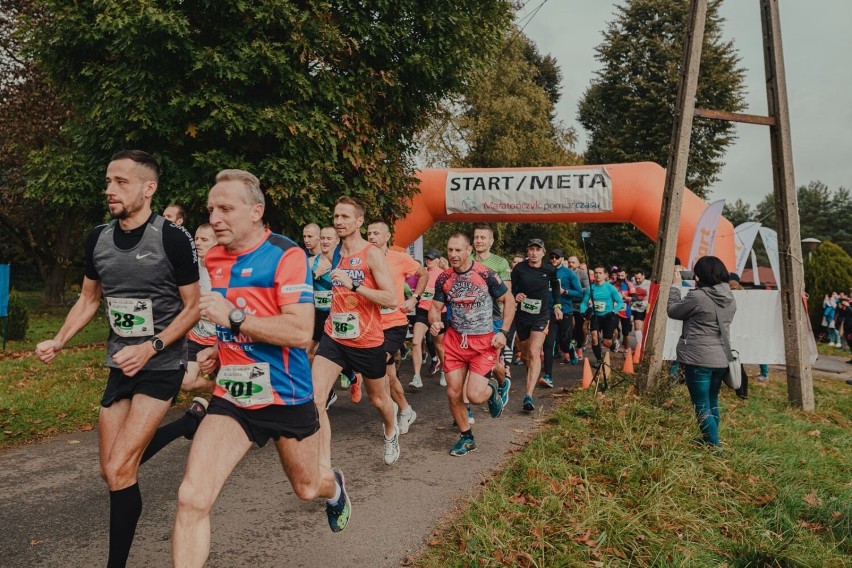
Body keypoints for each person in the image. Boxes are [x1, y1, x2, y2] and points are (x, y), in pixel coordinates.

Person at [171, 169, 350, 565]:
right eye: (211, 209)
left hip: (285, 394)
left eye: (225, 209)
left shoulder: (286, 255)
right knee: (192, 496)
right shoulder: (214, 257)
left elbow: (301, 331)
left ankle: (334, 487)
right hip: (233, 395)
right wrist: (220, 349)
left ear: (255, 211)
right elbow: (229, 320)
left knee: (307, 487)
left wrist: (232, 319)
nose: (215, 217)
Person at [35, 150, 200, 567]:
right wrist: (59, 339)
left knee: (122, 466)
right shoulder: (98, 238)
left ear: (149, 189)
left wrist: (154, 346)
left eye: (121, 182)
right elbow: (89, 299)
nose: (110, 189)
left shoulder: (171, 238)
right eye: (109, 181)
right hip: (120, 363)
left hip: (161, 364)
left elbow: (193, 306)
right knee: (110, 471)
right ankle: (186, 425)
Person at [311, 197, 400, 466]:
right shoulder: (334, 251)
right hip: (334, 337)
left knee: (379, 400)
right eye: (336, 216)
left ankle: (390, 430)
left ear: (359, 221)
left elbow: (391, 298)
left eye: (345, 217)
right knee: (315, 399)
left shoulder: (371, 253)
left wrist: (353, 285)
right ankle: (324, 465)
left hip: (366, 340)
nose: (339, 221)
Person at [140, 224, 219, 466]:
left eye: (205, 239)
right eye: (196, 238)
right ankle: (214, 390)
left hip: (222, 341)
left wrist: (212, 312)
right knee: (185, 381)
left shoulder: (223, 270)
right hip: (196, 338)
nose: (199, 242)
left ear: (217, 242)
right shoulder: (190, 270)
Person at [429, 233, 515, 456]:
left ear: (468, 251)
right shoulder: (443, 278)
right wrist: (435, 322)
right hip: (456, 341)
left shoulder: (485, 274)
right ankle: (466, 438)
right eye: (450, 250)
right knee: (453, 393)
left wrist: (504, 332)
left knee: (475, 396)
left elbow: (509, 301)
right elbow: (435, 307)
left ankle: (493, 389)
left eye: (458, 250)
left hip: (483, 342)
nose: (454, 254)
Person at [667, 256, 736, 448]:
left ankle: (714, 446)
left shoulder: (697, 296)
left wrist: (675, 287)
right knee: (712, 400)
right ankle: (709, 440)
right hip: (722, 358)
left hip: (698, 358)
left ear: (701, 275)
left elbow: (673, 311)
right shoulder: (730, 297)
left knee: (701, 403)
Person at [366, 220, 427, 435]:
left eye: (376, 233)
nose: (372, 236)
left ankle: (389, 409)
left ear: (386, 236)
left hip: (394, 324)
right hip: (371, 325)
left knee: (377, 363)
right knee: (390, 376)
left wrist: (414, 299)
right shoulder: (364, 259)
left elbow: (423, 274)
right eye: (369, 233)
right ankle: (405, 409)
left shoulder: (399, 258)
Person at [511, 239, 561, 411]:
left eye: (537, 249)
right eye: (531, 249)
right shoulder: (519, 269)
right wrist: (516, 295)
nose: (534, 252)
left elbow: (555, 286)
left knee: (534, 352)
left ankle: (528, 396)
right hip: (523, 316)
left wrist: (557, 304)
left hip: (541, 315)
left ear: (543, 252)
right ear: (527, 251)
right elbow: (512, 289)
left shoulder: (550, 269)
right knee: (526, 354)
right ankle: (530, 366)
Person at [472, 225, 513, 402]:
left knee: (493, 364)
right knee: (469, 361)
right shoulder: (467, 260)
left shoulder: (500, 262)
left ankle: (503, 384)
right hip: (469, 318)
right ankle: (466, 410)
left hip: (493, 317)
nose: (479, 241)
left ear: (491, 241)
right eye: (476, 237)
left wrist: (503, 327)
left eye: (483, 238)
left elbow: (507, 295)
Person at [408, 248, 445, 388]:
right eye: (427, 258)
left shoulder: (442, 274)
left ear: (438, 260)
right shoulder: (421, 273)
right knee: (416, 342)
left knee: (438, 345)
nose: (428, 260)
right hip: (423, 311)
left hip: (437, 313)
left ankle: (444, 371)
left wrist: (433, 293)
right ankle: (416, 377)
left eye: (431, 258)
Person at [544, 249, 582, 378]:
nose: (554, 259)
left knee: (564, 344)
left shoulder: (569, 273)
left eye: (557, 257)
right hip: (548, 312)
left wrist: (564, 291)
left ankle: (570, 349)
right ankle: (548, 375)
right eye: (552, 257)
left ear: (562, 258)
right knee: (548, 343)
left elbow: (579, 293)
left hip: (565, 311)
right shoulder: (545, 271)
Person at [582, 266, 624, 368]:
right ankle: (599, 360)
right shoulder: (590, 289)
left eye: (600, 273)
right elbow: (583, 303)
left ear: (605, 275)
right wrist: (582, 312)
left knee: (606, 343)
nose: (597, 275)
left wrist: (614, 312)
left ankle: (613, 345)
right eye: (596, 273)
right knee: (595, 337)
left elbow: (620, 302)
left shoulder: (610, 288)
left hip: (608, 317)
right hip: (595, 316)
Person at [568, 255, 590, 361]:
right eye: (569, 262)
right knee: (569, 326)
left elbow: (587, 288)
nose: (570, 264)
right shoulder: (565, 272)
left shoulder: (582, 274)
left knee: (579, 328)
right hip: (567, 304)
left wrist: (574, 291)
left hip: (579, 305)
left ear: (577, 264)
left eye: (573, 262)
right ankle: (570, 347)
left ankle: (579, 347)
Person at [631, 270, 651, 353]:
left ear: (643, 276)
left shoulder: (649, 284)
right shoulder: (633, 284)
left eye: (639, 278)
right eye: (636, 278)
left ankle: (645, 345)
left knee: (645, 328)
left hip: (647, 307)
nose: (637, 280)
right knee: (637, 327)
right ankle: (639, 347)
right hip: (636, 307)